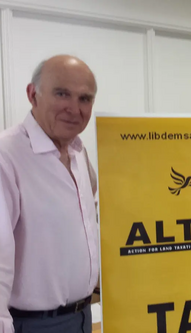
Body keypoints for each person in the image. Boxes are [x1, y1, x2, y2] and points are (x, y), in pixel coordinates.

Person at [0, 55, 99, 333]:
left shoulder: (79, 153)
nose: (74, 108)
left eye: (85, 98)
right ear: (33, 95)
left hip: (82, 316)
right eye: (62, 94)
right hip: (33, 324)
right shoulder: (7, 156)